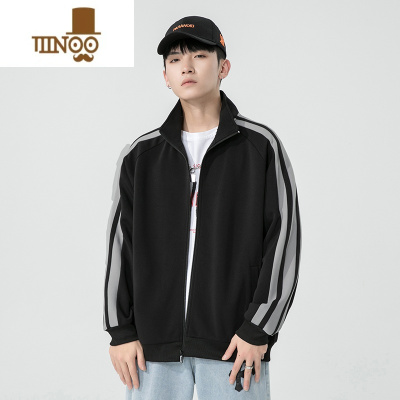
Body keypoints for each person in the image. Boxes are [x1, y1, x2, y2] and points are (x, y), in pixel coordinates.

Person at [103, 15, 302, 400]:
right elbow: (120, 247)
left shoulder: (259, 146)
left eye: (199, 55)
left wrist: (258, 329)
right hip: (152, 344)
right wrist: (120, 331)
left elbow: (283, 241)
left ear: (223, 67)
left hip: (235, 343)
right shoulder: (141, 155)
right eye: (175, 60)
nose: (187, 67)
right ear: (165, 76)